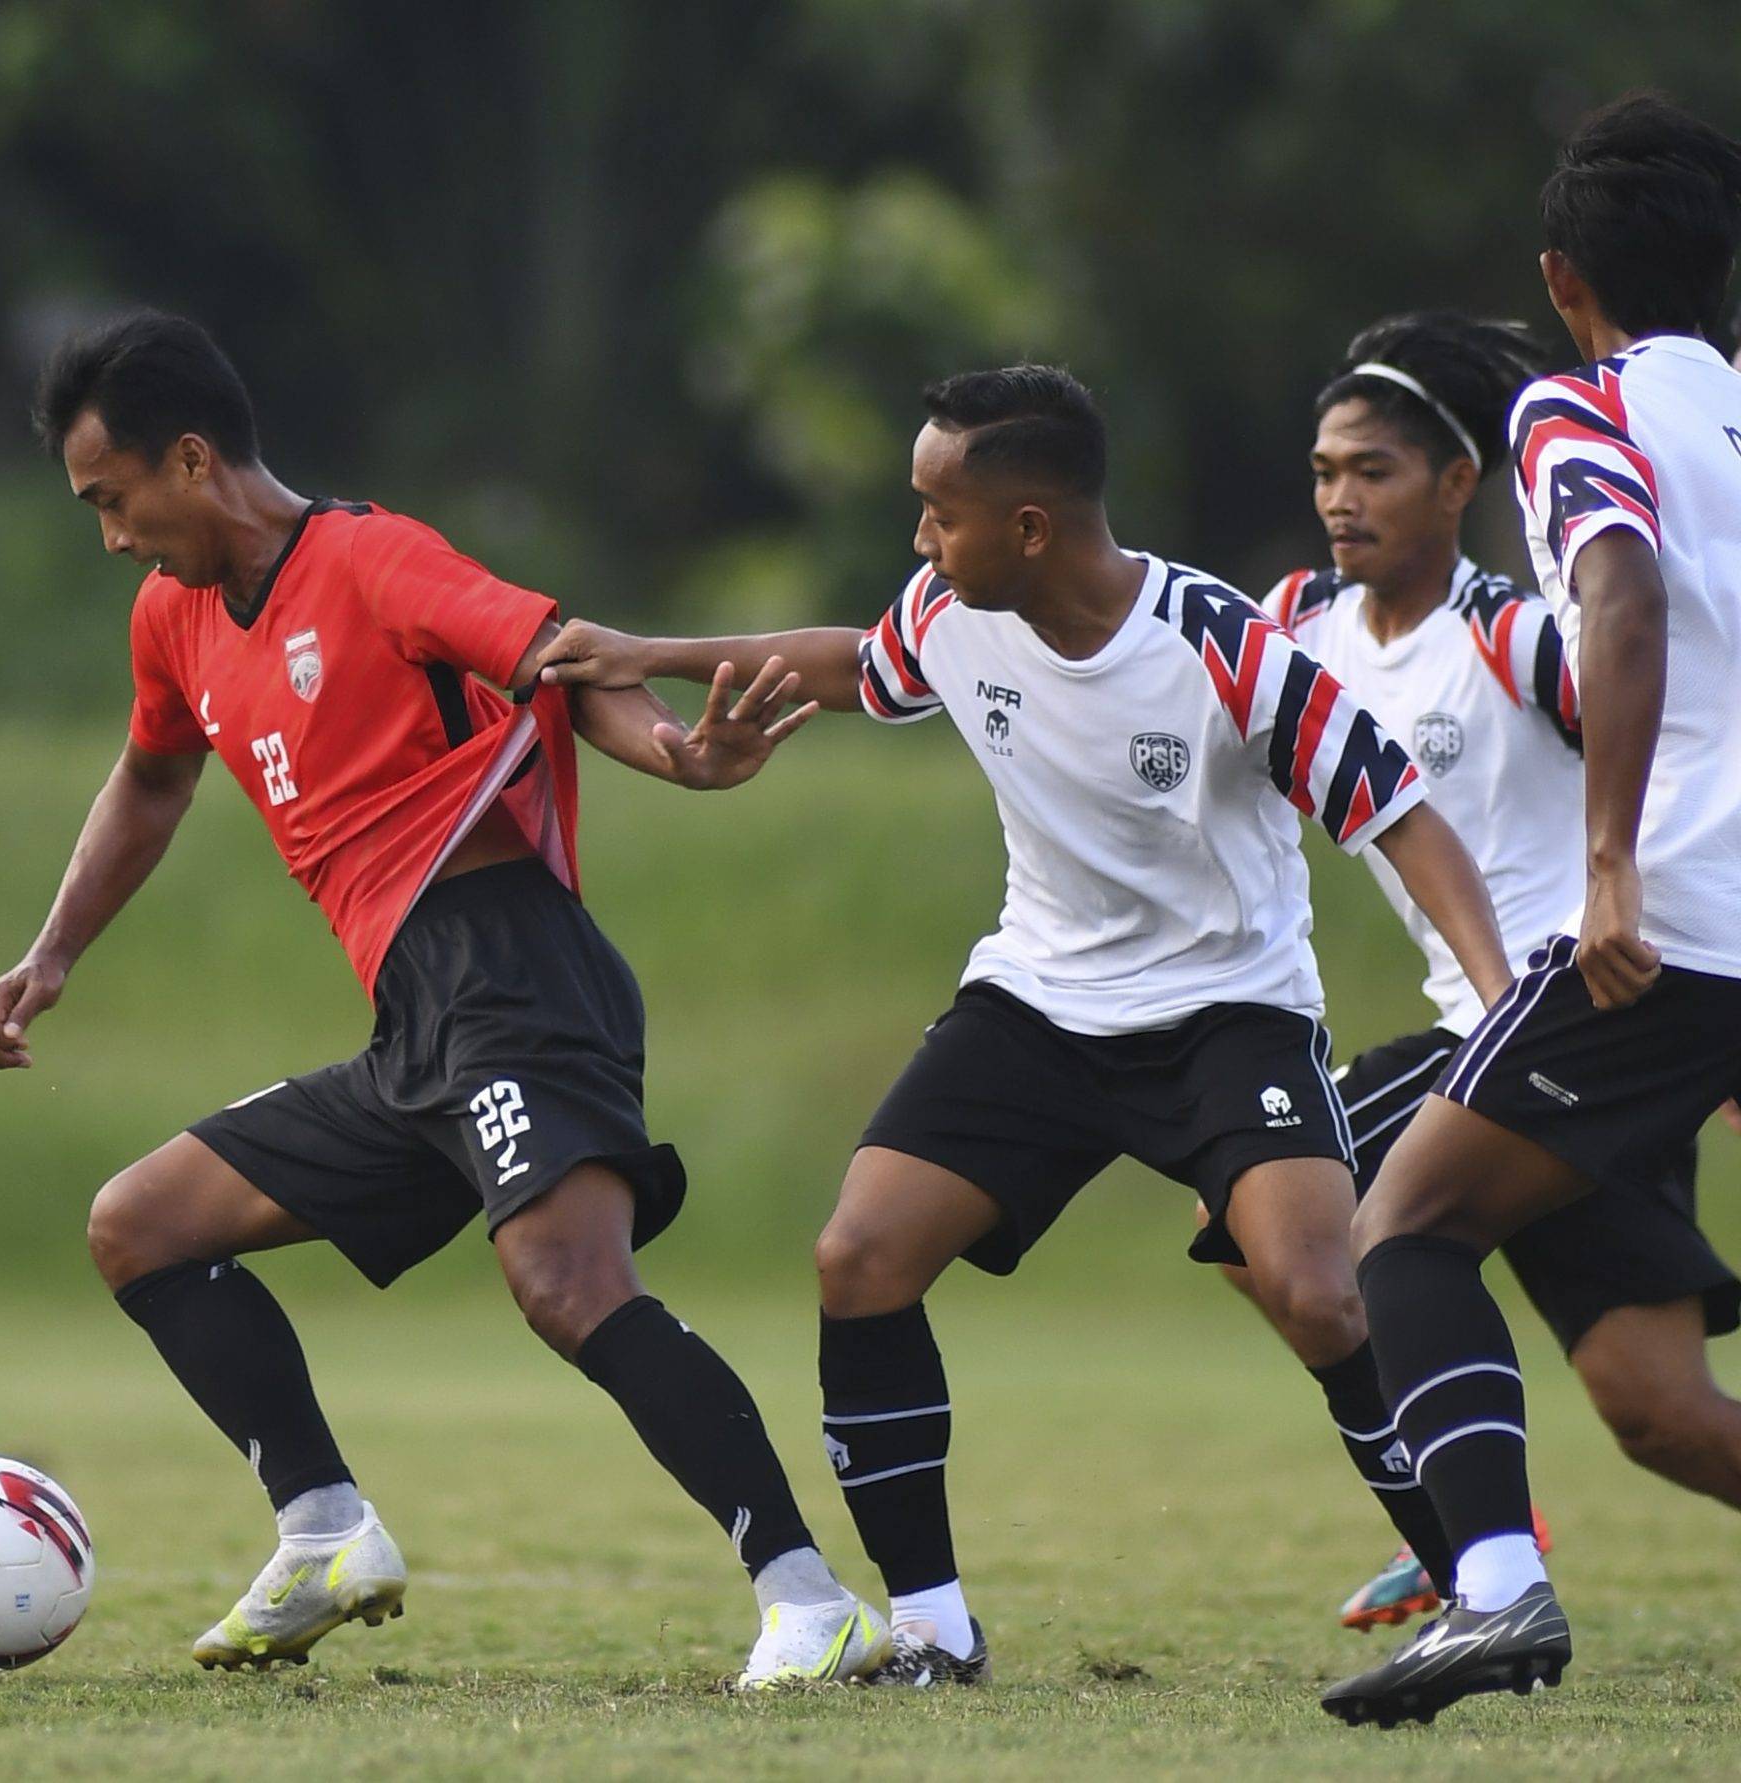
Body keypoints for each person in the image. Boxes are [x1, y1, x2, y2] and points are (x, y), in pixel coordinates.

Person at [537, 364, 1511, 1688]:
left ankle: (1480, 1589)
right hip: (1039, 1006)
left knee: (1317, 1288)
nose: (921, 541)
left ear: (1033, 526)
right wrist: (654, 652)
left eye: (940, 512)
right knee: (858, 1258)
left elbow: (1398, 811)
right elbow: (856, 664)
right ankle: (935, 1627)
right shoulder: (951, 607)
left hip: (1230, 1014)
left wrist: (1505, 1004)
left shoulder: (1221, 647)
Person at [0, 311, 889, 1688]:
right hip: (417, 1020)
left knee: (571, 1285)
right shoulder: (173, 619)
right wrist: (53, 953)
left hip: (516, 971)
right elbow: (154, 778)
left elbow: (566, 663)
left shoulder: (375, 560)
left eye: (114, 501)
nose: (111, 537)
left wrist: (680, 757)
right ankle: (326, 1529)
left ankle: (811, 1601)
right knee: (142, 1228)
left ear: (193, 460)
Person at [1324, 93, 1741, 1729]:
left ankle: (1493, 1596)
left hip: (1669, 926)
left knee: (1402, 1227)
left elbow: (1620, 593)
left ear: (1565, 280)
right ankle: (1487, 1582)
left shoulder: (1579, 411)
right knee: (1653, 1402)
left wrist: (1616, 861)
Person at [1246, 313, 1739, 1637]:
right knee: (1663, 1417)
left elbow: (1670, 744)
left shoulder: (1516, 639)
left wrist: (1680, 971)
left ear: (1462, 484)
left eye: (1375, 470)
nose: (1341, 498)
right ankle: (1466, 1514)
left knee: (1280, 1208)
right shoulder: (1297, 626)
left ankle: (1469, 1525)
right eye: (1324, 471)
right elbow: (1137, 652)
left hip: (1579, 1013)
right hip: (1514, 1046)